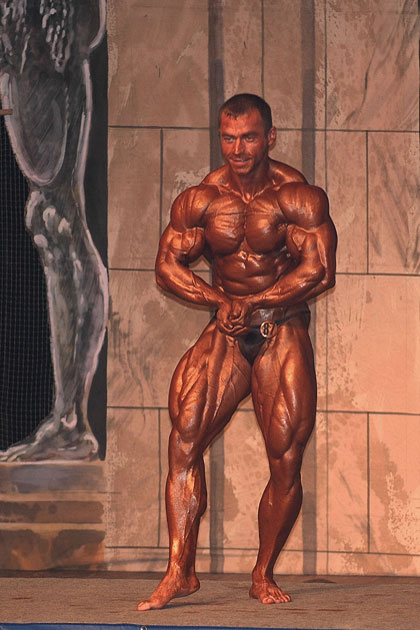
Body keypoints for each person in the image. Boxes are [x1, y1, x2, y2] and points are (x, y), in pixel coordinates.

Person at [137, 93, 337, 610]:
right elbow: (167, 265)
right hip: (227, 328)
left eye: (248, 137)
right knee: (184, 438)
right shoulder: (203, 199)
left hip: (280, 327)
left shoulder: (296, 195)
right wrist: (218, 300)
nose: (238, 149)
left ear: (269, 137)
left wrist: (259, 301)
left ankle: (262, 572)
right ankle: (180, 570)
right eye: (229, 138)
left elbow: (318, 270)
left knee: (285, 458)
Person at [0, 1, 108, 461]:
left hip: (52, 65)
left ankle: (71, 420)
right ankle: (67, 418)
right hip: (21, 71)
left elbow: (87, 27)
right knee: (47, 224)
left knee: (62, 224)